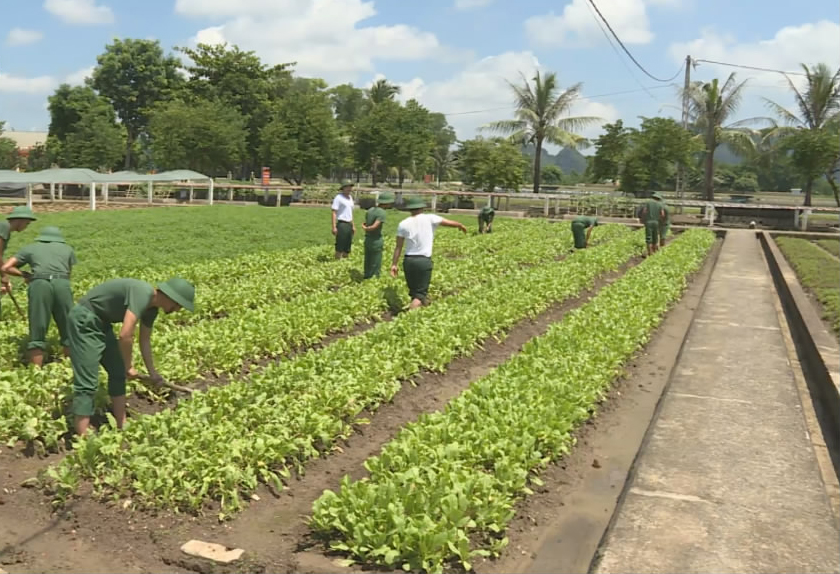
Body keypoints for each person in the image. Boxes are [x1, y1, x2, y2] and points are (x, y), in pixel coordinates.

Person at [66, 277, 195, 436]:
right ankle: (83, 437)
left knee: (118, 371)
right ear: (172, 298)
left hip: (102, 323)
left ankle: (122, 425)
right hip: (84, 319)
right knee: (87, 381)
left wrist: (153, 373)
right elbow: (126, 334)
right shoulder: (143, 293)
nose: (178, 310)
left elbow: (144, 340)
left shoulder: (151, 309)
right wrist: (129, 365)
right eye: (179, 306)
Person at [0, 226, 76, 367]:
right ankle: (69, 366)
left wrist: (25, 275)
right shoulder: (67, 249)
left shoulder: (31, 248)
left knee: (38, 324)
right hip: (62, 283)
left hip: (39, 283)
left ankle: (36, 370)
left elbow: (5, 267)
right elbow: (68, 273)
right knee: (68, 323)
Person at [390, 197, 467, 310]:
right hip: (423, 261)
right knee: (419, 295)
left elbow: (398, 246)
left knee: (415, 292)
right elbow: (449, 223)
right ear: (422, 208)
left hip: (409, 261)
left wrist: (394, 264)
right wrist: (460, 225)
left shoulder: (403, 224)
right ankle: (410, 318)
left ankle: (422, 308)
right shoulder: (430, 218)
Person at [0, 206, 37, 313]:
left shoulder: (5, 229)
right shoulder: (4, 227)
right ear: (21, 220)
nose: (26, 227)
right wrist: (4, 276)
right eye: (27, 223)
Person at [361, 191, 395, 279]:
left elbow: (366, 222)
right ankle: (374, 279)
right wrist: (367, 228)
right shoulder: (382, 213)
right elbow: (375, 226)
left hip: (367, 239)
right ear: (386, 203)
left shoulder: (370, 210)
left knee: (368, 260)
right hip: (376, 239)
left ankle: (366, 276)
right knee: (376, 261)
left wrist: (365, 227)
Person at [331, 179, 356, 259]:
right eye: (347, 187)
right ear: (343, 188)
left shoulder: (350, 198)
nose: (349, 189)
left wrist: (353, 225)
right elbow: (334, 212)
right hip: (342, 223)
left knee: (347, 245)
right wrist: (334, 227)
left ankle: (345, 259)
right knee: (340, 245)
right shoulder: (338, 198)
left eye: (350, 187)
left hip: (349, 223)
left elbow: (350, 213)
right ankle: (337, 260)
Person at [639, 192, 666, 257]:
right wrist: (660, 220)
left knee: (649, 238)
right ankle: (654, 252)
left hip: (648, 222)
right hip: (656, 222)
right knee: (655, 237)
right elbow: (662, 214)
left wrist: (642, 219)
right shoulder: (660, 204)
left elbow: (644, 212)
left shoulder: (648, 203)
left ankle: (650, 252)